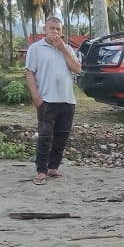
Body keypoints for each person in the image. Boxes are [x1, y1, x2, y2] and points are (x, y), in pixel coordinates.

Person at [26, 16, 82, 185]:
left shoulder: (68, 49)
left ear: (62, 32)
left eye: (58, 29)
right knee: (45, 136)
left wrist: (63, 49)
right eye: (52, 28)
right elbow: (30, 73)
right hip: (47, 100)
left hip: (67, 100)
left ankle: (53, 167)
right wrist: (36, 97)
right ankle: (41, 171)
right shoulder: (35, 48)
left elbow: (78, 69)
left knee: (61, 136)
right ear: (45, 29)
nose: (55, 32)